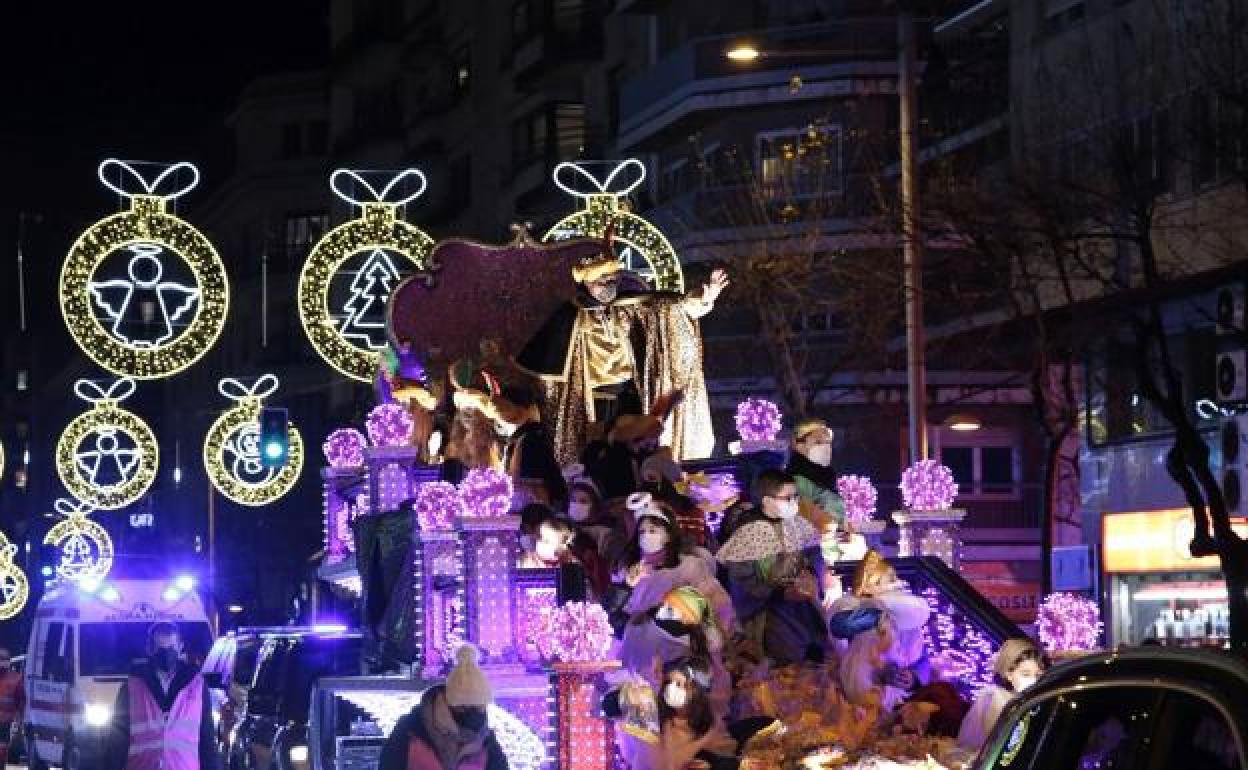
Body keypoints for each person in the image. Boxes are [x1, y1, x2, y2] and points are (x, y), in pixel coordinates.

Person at [516, 229, 728, 463]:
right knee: (599, 456)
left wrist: (704, 298)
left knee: (638, 450)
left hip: (630, 394)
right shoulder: (569, 317)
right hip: (592, 402)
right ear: (587, 282)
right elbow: (544, 370)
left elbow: (673, 308)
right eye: (603, 280)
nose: (610, 284)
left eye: (613, 279)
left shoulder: (631, 307)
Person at [717, 470, 831, 666]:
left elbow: (815, 556)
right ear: (767, 501)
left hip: (805, 605)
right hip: (769, 613)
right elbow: (741, 582)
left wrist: (811, 576)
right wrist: (780, 594)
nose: (794, 503)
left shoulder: (798, 525)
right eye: (788, 498)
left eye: (796, 497)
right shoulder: (748, 532)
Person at [606, 494, 730, 638]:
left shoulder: (689, 566)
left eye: (653, 530)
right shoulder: (627, 568)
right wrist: (625, 587)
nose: (646, 536)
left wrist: (712, 635)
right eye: (642, 531)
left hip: (682, 649)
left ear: (669, 535)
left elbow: (718, 603)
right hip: (638, 648)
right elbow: (610, 613)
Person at [106, 622, 220, 770]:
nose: (166, 654)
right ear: (150, 650)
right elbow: (117, 742)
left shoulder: (197, 686)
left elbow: (207, 740)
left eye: (171, 648)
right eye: (160, 649)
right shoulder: (132, 687)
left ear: (180, 647)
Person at [380, 645, 509, 770]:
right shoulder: (410, 732)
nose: (473, 714)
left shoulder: (486, 741)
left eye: (479, 707)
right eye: (464, 707)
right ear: (448, 703)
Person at [833, 551, 932, 712]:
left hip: (898, 706)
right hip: (855, 703)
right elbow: (838, 628)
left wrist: (913, 677)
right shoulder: (853, 615)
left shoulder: (908, 619)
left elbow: (922, 662)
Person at [957, 637, 1046, 751]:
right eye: (1026, 674)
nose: (1033, 681)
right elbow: (978, 744)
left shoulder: (1038, 703)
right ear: (1008, 674)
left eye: (1038, 675)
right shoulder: (994, 696)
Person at [0, 648, 24, 767]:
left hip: (5, 722)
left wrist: (18, 720)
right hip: (6, 721)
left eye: (5, 659)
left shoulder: (16, 678)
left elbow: (21, 701)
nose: (2, 662)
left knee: (2, 749)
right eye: (1, 658)